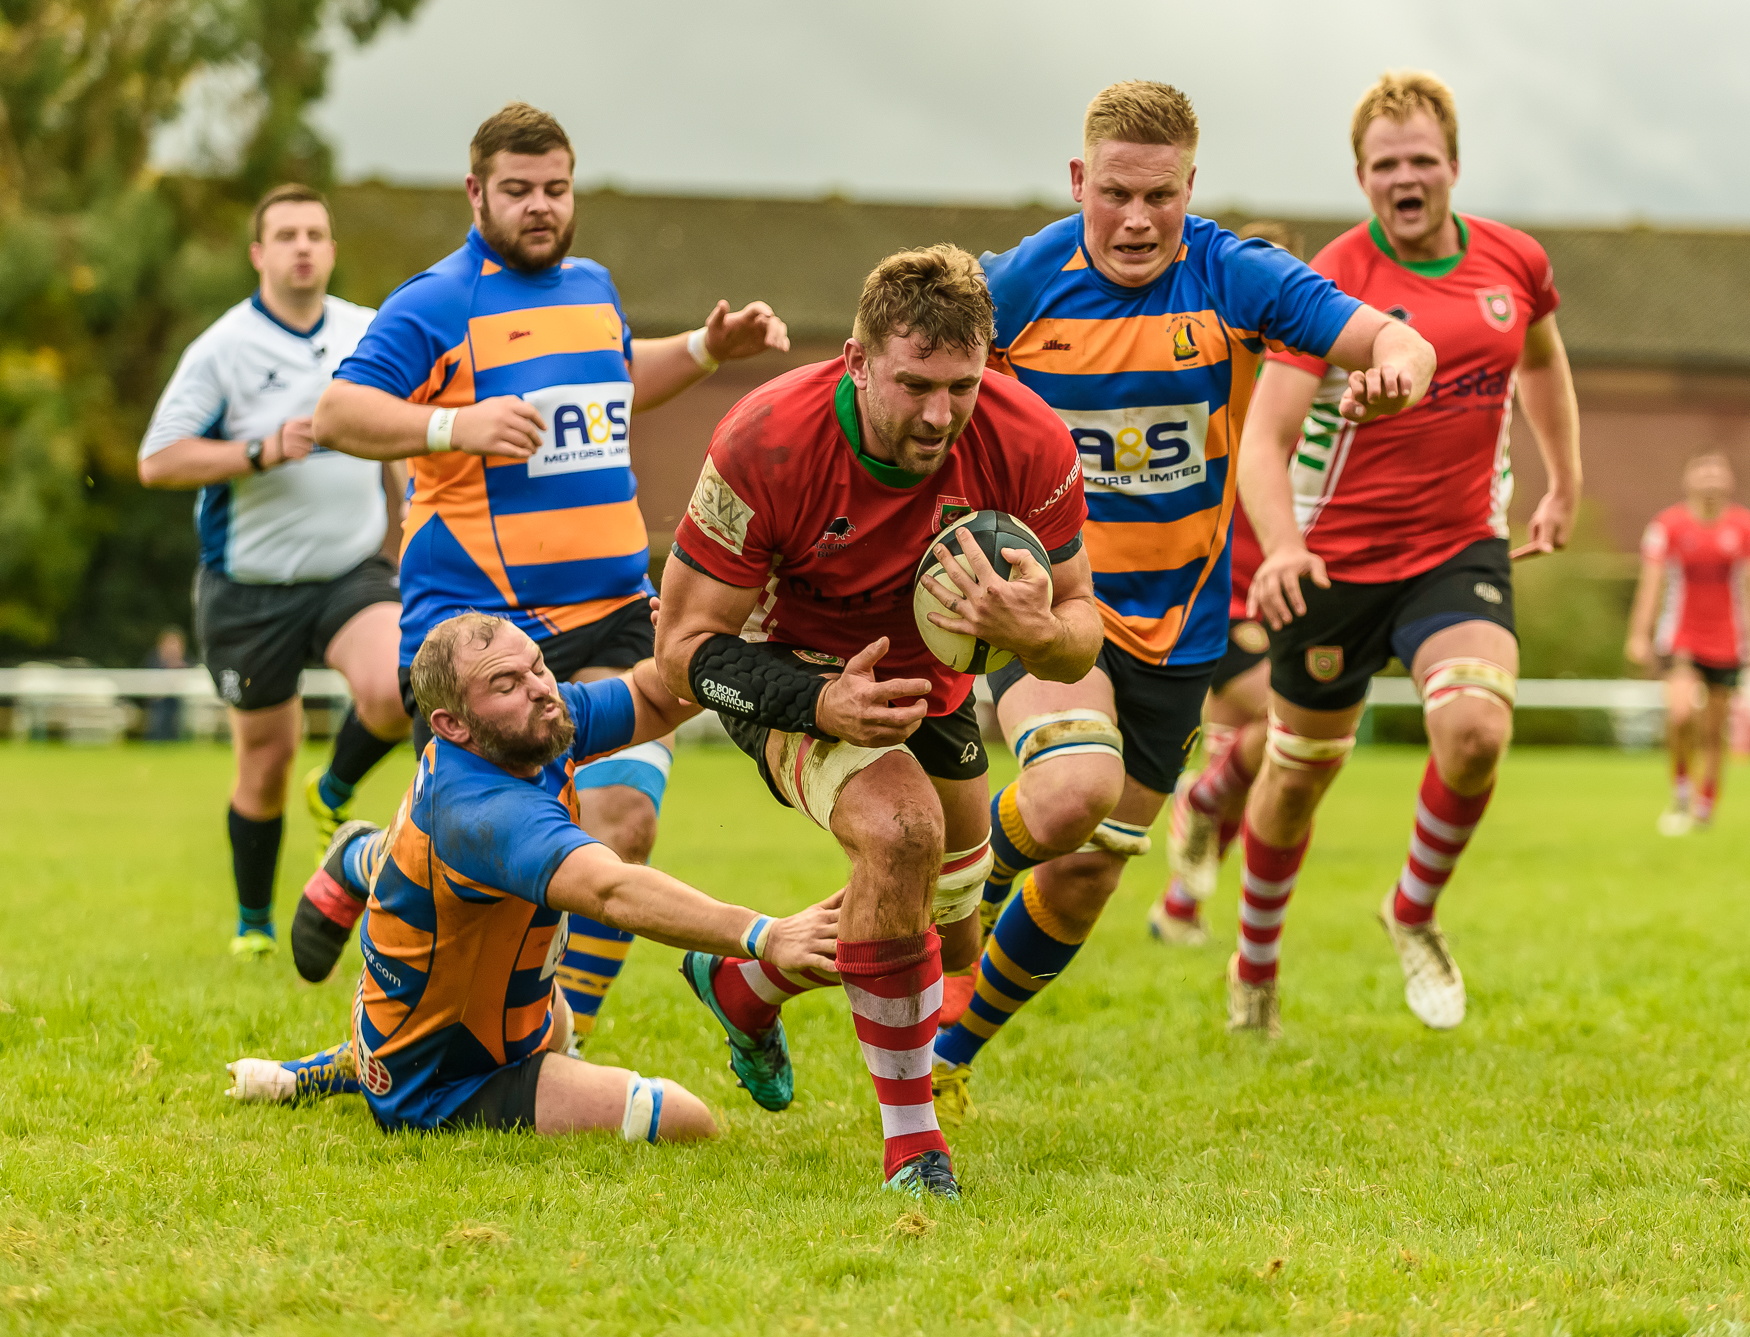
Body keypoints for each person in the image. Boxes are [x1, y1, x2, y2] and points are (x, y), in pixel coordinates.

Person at [927, 80, 1434, 1117]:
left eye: (1160, 196)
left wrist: (1398, 368)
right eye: (1115, 193)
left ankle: (946, 1052)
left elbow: (1393, 336)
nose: (1137, 219)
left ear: (1190, 187)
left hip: (1179, 624)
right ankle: (931, 893)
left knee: (1088, 872)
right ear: (1079, 180)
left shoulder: (1229, 272)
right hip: (1044, 603)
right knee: (1069, 792)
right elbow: (892, 373)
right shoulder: (1013, 286)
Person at [307, 103, 791, 1037]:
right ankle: (365, 856)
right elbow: (336, 413)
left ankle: (564, 1041)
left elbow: (614, 381)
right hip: (480, 629)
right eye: (519, 190)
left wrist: (704, 351)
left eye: (556, 189)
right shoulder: (437, 302)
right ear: (475, 192)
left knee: (620, 826)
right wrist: (454, 424)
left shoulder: (593, 284)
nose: (540, 206)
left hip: (613, 610)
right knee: (467, 864)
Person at [653, 244, 1101, 1198]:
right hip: (788, 671)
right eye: (915, 385)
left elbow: (1079, 637)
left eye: (962, 386)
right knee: (903, 833)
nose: (941, 415)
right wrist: (816, 702)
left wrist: (1036, 632)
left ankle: (746, 983)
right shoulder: (766, 439)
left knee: (953, 925)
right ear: (857, 360)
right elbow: (680, 650)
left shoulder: (1029, 440)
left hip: (930, 685)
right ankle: (914, 1149)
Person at [1222, 70, 1583, 1035]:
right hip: (1333, 564)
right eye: (1385, 165)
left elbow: (1543, 362)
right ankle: (1254, 962)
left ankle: (1413, 910)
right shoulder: (1329, 282)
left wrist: (1565, 479)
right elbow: (1263, 439)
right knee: (1296, 777)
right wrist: (1282, 549)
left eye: (1422, 159)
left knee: (1476, 731)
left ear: (1454, 165)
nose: (1405, 177)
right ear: (1361, 178)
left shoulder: (1515, 262)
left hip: (1459, 546)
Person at [226, 612, 839, 1140]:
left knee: (554, 1020)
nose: (541, 689)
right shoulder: (485, 814)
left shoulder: (528, 726)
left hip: (475, 1007)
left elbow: (655, 698)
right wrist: (765, 935)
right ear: (452, 725)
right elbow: (611, 889)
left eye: (538, 666)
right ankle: (370, 1065)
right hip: (442, 1079)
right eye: (506, 684)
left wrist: (706, 645)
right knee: (684, 1118)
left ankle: (358, 887)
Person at [139, 184, 409, 959]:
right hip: (249, 586)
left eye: (315, 234)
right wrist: (258, 451)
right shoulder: (223, 348)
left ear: (331, 250)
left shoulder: (367, 330)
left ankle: (334, 789)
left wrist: (411, 521)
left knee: (400, 683)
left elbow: (401, 433)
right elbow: (157, 460)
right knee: (265, 760)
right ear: (259, 254)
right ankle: (254, 924)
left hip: (350, 570)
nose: (302, 247)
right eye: (286, 235)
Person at [1149, 221, 1306, 947]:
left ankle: (1181, 903)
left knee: (1268, 770)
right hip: (1216, 598)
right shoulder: (1203, 364)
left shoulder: (1310, 375)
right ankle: (1203, 795)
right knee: (1290, 731)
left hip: (1291, 594)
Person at [1626, 453, 1750, 834]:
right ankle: (1681, 794)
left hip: (1728, 640)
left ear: (1728, 480)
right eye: (1703, 472)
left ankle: (1705, 805)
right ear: (1688, 479)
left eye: (1717, 472)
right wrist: (1639, 634)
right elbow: (1651, 584)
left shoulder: (1743, 526)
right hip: (1681, 637)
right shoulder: (1668, 525)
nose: (1710, 480)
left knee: (1714, 729)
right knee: (1681, 715)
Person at [142, 626, 190, 742]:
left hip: (181, 702)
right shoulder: (153, 661)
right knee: (161, 710)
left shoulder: (187, 662)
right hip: (158, 703)